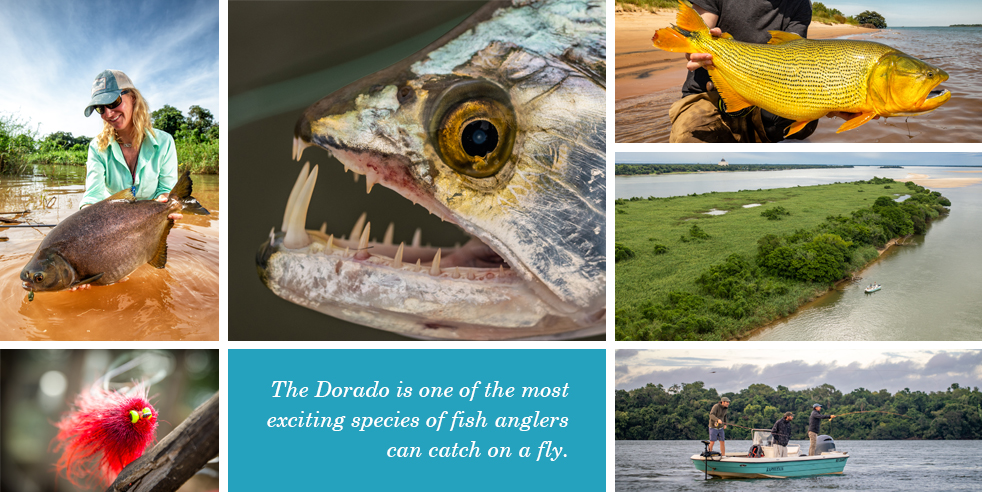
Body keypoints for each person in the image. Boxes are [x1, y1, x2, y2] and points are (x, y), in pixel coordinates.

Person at [668, 0, 866, 143]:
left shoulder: (800, 4)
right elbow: (695, 34)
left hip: (767, 96)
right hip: (709, 94)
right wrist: (695, 49)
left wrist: (832, 102)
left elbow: (794, 58)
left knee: (805, 123)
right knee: (687, 136)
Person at [75, 70, 181, 290]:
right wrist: (81, 245)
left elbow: (165, 189)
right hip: (110, 230)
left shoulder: (165, 142)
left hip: (150, 224)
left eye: (113, 102)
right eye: (100, 108)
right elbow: (93, 195)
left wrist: (167, 202)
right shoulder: (97, 147)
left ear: (132, 97)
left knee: (155, 283)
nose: (108, 113)